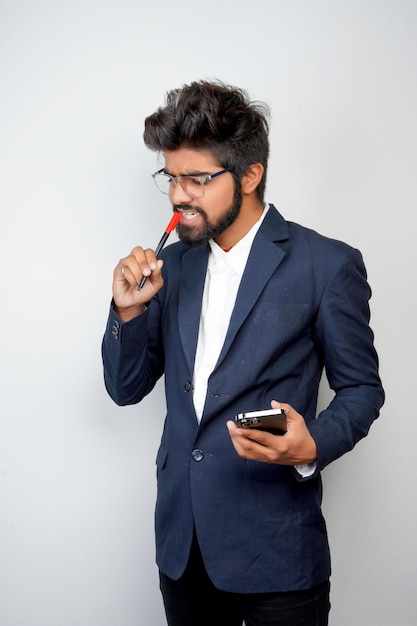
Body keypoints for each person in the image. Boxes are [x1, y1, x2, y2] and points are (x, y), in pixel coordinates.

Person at [102, 80, 384, 626]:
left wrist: (310, 445)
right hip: (183, 549)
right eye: (171, 177)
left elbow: (362, 389)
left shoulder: (326, 265)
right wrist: (128, 312)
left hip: (277, 552)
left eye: (197, 178)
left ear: (250, 175)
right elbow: (125, 388)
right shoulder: (175, 266)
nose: (178, 195)